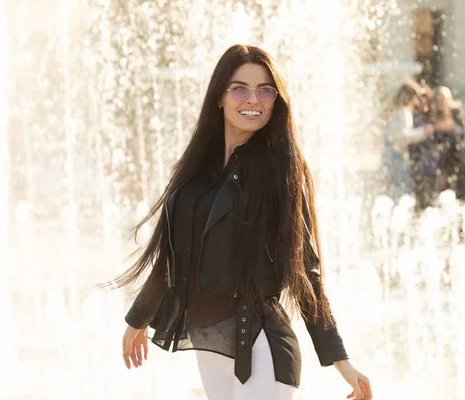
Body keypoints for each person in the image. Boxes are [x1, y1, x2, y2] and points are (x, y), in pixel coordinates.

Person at [107, 45, 372, 400]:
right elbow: (174, 255)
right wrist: (138, 317)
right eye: (240, 88)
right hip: (211, 344)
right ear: (219, 97)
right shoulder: (197, 168)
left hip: (260, 342)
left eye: (265, 90)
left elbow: (306, 270)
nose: (254, 99)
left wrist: (340, 360)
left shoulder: (281, 170)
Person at [384, 80, 436, 210]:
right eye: (416, 97)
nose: (418, 102)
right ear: (409, 97)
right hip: (398, 155)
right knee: (404, 191)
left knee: (395, 189)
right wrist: (424, 131)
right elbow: (403, 136)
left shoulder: (395, 111)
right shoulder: (404, 112)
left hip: (389, 154)